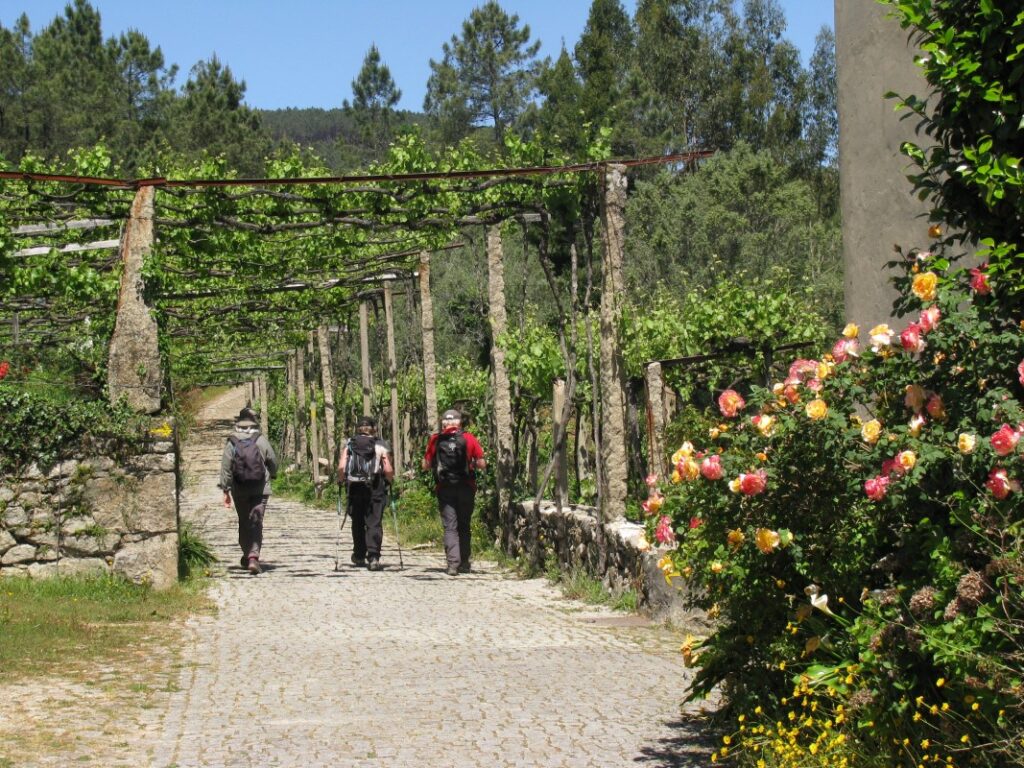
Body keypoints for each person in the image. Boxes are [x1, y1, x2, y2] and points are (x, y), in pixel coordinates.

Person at [422, 409, 485, 576]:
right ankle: (464, 562)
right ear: (460, 423)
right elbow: (482, 463)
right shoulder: (469, 438)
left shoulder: (435, 439)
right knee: (464, 525)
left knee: (450, 527)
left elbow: (425, 465)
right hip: (466, 486)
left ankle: (452, 564)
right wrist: (471, 464)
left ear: (443, 424)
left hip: (445, 487)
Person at [219, 406, 277, 575]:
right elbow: (272, 460)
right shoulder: (260, 439)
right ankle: (253, 557)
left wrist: (225, 489)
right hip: (260, 488)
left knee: (244, 521)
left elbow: (226, 467)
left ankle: (246, 553)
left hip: (240, 490)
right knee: (256, 521)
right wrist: (273, 474)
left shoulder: (232, 441)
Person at [337, 415, 394, 571]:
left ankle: (359, 554)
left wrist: (340, 480)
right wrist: (389, 481)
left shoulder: (350, 444)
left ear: (358, 429)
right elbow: (387, 468)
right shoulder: (380, 444)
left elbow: (342, 467)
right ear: (374, 429)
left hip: (354, 487)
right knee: (374, 522)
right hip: (375, 487)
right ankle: (374, 556)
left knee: (357, 521)